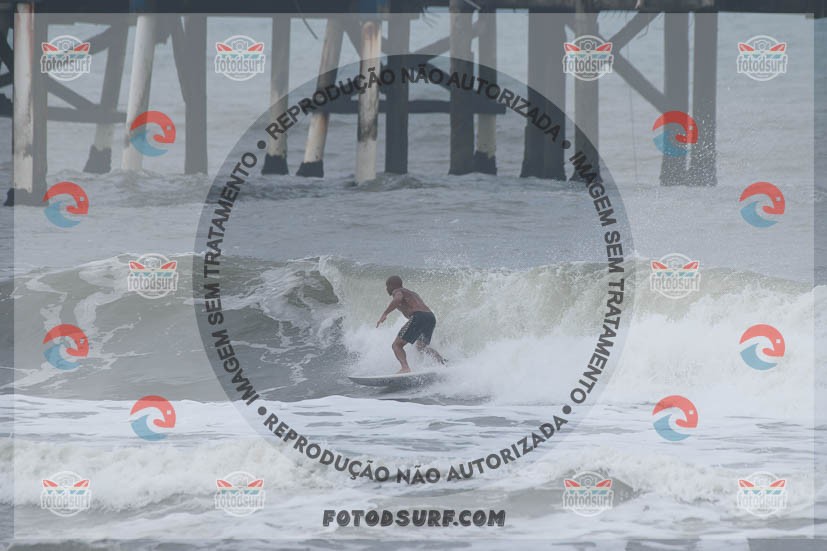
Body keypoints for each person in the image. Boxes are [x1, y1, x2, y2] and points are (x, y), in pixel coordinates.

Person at [376, 275, 446, 373]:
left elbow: (398, 299)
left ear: (392, 285)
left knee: (396, 345)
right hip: (430, 317)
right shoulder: (412, 294)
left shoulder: (397, 291)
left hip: (419, 316)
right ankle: (443, 363)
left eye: (387, 286)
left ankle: (405, 368)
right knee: (421, 347)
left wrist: (385, 313)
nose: (386, 289)